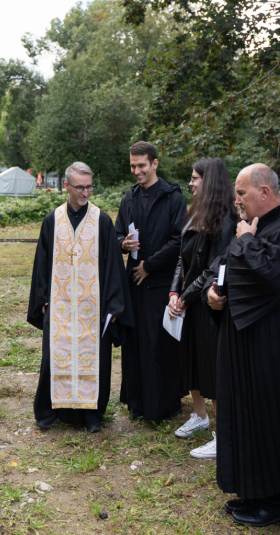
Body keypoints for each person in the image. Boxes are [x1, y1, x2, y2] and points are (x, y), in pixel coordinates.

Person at [203, 164, 280, 527]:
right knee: (243, 415)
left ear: (265, 193)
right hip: (241, 342)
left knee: (270, 418)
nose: (236, 200)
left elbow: (270, 277)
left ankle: (275, 500)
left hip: (277, 348)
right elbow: (226, 271)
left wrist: (244, 241)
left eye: (241, 193)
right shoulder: (252, 229)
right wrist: (215, 296)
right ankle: (251, 489)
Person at [27, 162, 133, 433]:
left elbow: (112, 267)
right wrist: (42, 298)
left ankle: (92, 414)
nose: (85, 192)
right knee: (56, 356)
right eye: (80, 187)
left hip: (92, 307)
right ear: (66, 186)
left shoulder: (102, 220)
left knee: (93, 358)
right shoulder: (53, 219)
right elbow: (42, 262)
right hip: (60, 304)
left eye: (89, 186)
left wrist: (113, 305)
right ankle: (52, 409)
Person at [167, 157, 236, 458]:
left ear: (210, 182)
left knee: (212, 370)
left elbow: (212, 269)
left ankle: (224, 435)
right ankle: (200, 416)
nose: (191, 183)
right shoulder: (194, 213)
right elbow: (183, 260)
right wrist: (173, 290)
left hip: (208, 305)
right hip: (190, 302)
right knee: (191, 361)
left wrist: (186, 296)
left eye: (195, 178)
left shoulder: (225, 220)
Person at [115, 141, 187, 421]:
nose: (136, 171)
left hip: (160, 283)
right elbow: (117, 233)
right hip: (134, 282)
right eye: (133, 166)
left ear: (154, 164)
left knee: (159, 343)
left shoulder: (173, 197)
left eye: (141, 165)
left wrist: (150, 265)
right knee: (134, 343)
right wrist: (123, 244)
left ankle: (163, 405)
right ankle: (138, 403)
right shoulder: (128, 198)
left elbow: (179, 239)